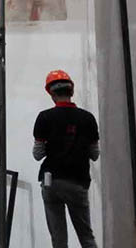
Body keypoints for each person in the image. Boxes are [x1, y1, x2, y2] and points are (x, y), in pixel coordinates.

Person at [33, 70, 100, 248]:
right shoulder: (87, 118)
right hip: (78, 182)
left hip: (51, 182)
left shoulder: (44, 117)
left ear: (52, 94)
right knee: (86, 237)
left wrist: (52, 145)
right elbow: (95, 154)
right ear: (71, 91)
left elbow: (37, 155)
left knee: (59, 239)